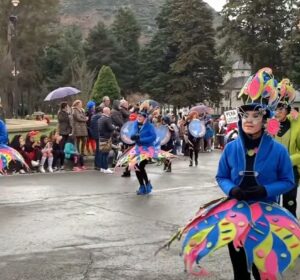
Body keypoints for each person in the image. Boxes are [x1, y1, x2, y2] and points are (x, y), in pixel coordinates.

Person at [216, 68, 294, 280]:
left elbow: (288, 180)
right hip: (236, 218)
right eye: (245, 116)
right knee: (240, 272)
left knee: (264, 272)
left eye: (255, 115)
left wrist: (265, 189)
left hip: (265, 218)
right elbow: (221, 176)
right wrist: (231, 188)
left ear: (265, 119)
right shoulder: (231, 148)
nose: (249, 120)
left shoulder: (278, 150)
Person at [274, 79, 300, 218]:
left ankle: (292, 232)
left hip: (290, 171)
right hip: (272, 170)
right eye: (275, 108)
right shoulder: (268, 125)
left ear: (288, 109)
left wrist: (289, 160)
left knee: (289, 203)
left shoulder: (296, 125)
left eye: (281, 108)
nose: (277, 112)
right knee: (272, 203)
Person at [130, 109, 157, 195]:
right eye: (138, 116)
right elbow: (132, 134)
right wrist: (134, 136)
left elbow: (153, 137)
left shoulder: (150, 126)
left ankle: (147, 184)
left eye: (141, 116)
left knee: (140, 166)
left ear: (145, 117)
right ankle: (142, 186)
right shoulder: (135, 124)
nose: (139, 117)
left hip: (148, 149)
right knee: (136, 167)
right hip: (138, 149)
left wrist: (141, 139)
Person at [98, 107, 115, 174]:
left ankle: (102, 167)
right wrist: (114, 127)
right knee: (105, 153)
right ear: (107, 111)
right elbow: (110, 128)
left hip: (101, 137)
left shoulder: (100, 119)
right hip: (106, 138)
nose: (110, 112)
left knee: (102, 153)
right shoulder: (107, 119)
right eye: (109, 111)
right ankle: (106, 168)